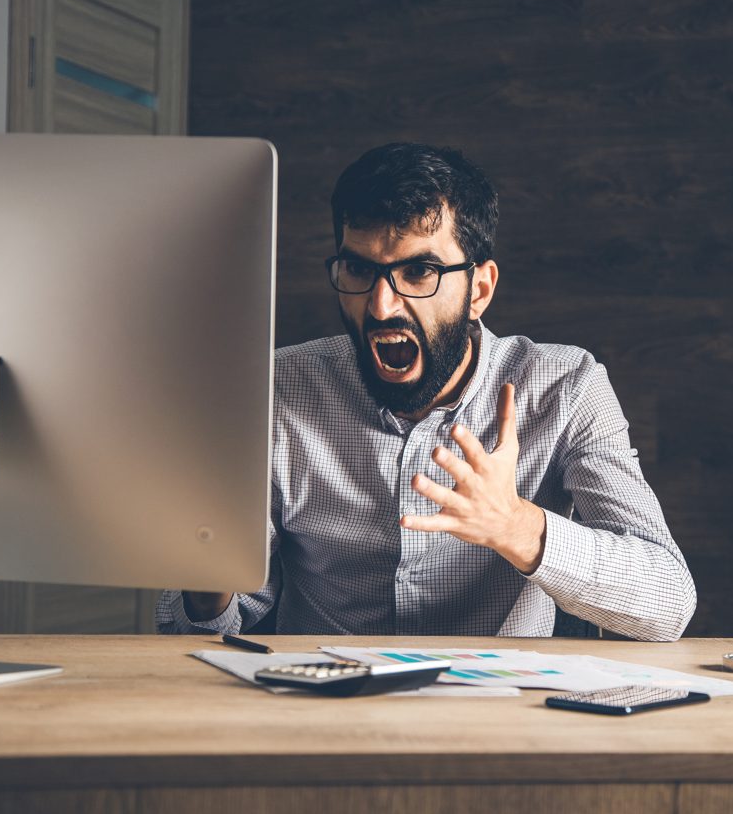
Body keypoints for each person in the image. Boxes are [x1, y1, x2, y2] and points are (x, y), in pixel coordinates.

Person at [157, 142, 695, 640]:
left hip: (497, 717)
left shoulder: (566, 387)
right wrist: (208, 568)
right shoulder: (275, 389)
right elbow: (200, 631)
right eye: (359, 269)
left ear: (479, 289)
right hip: (320, 713)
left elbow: (668, 603)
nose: (381, 305)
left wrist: (515, 525)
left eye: (419, 271)